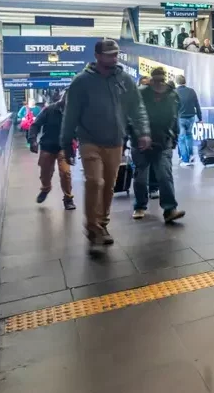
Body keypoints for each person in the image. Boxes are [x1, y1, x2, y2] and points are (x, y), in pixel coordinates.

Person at [61, 39, 151, 250]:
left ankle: (101, 224)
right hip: (89, 141)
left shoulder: (124, 80)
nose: (114, 57)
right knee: (95, 181)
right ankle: (92, 226)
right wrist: (66, 144)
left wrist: (143, 132)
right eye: (109, 54)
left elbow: (137, 108)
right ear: (97, 56)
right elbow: (70, 115)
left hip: (115, 141)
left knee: (109, 186)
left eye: (116, 54)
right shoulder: (81, 82)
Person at [132, 67, 185, 223]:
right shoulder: (140, 94)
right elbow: (131, 117)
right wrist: (137, 137)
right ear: (151, 80)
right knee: (141, 177)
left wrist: (174, 138)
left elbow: (175, 118)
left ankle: (170, 209)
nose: (159, 84)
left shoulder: (172, 95)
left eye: (161, 81)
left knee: (165, 175)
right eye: (156, 81)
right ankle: (140, 205)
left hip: (163, 141)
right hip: (141, 142)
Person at [28, 91, 76, 210]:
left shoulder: (73, 113)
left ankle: (68, 198)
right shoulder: (49, 110)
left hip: (64, 148)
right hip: (47, 146)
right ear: (62, 98)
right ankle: (45, 188)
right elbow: (35, 125)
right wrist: (32, 140)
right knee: (45, 173)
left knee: (65, 173)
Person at [175, 74, 202, 167]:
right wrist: (200, 118)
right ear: (185, 82)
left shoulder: (174, 92)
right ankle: (191, 155)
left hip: (180, 118)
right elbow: (197, 106)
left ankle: (185, 160)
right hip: (191, 117)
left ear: (176, 82)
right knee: (189, 136)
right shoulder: (191, 91)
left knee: (181, 139)